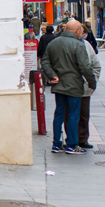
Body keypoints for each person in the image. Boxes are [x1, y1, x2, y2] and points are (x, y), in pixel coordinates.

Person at [41, 19, 96, 155]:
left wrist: (52, 74)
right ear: (77, 31)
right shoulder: (78, 45)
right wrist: (92, 83)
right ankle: (72, 144)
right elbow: (85, 67)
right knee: (73, 115)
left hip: (59, 84)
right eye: (81, 31)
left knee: (59, 114)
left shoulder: (54, 43)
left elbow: (45, 60)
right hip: (74, 85)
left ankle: (56, 143)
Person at [74, 25, 101, 149]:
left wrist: (92, 81)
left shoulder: (87, 45)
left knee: (84, 114)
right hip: (69, 87)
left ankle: (83, 138)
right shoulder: (66, 44)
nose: (82, 34)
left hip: (85, 86)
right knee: (70, 114)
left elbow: (96, 65)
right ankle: (71, 138)